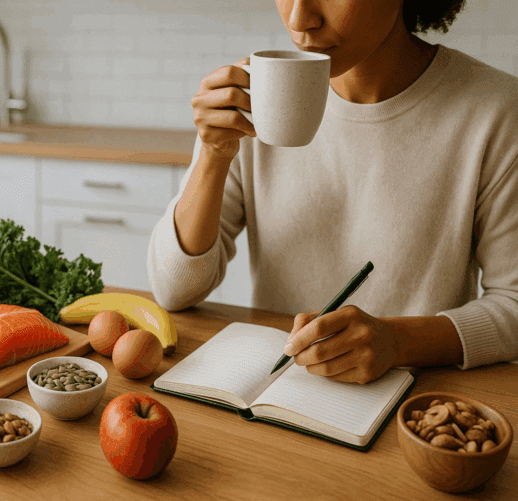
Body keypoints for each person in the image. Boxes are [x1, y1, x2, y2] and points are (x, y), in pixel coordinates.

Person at [147, 0, 518, 384]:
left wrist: (398, 342)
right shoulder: (258, 99)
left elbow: (514, 304)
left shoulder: (497, 112)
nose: (299, 18)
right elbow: (174, 291)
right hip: (280, 399)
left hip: (416, 405)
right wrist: (213, 154)